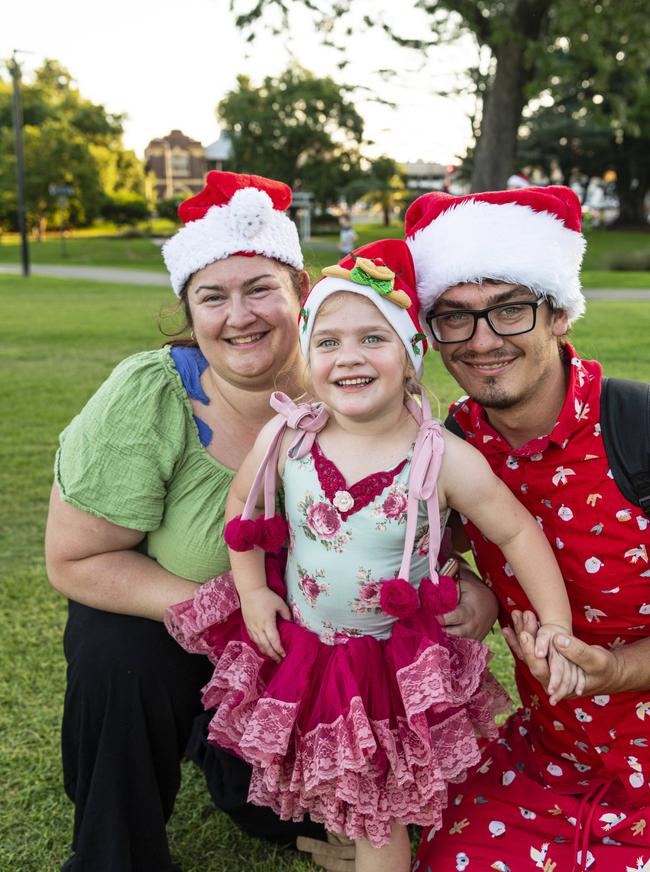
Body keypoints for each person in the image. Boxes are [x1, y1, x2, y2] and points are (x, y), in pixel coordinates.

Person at [165, 238, 585, 872]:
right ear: (307, 357)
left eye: (373, 339)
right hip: (305, 643)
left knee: (379, 809)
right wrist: (252, 589)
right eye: (328, 342)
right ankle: (336, 831)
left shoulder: (442, 457)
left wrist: (554, 623)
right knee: (325, 769)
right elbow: (243, 510)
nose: (349, 357)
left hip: (388, 664)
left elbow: (517, 533)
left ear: (411, 356)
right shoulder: (289, 435)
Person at [44, 170, 341, 872]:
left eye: (261, 288)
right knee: (118, 649)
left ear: (303, 290)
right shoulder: (151, 394)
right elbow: (76, 561)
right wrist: (239, 615)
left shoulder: (357, 379)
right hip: (182, 637)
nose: (239, 315)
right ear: (191, 310)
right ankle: (116, 852)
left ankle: (239, 771)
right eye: (214, 296)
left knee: (291, 814)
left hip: (321, 655)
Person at [405, 185, 650, 871]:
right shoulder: (448, 449)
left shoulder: (639, 431)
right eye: (454, 317)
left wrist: (619, 668)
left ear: (560, 313)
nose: (482, 341)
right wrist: (472, 586)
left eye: (509, 308)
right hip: (554, 758)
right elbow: (390, 556)